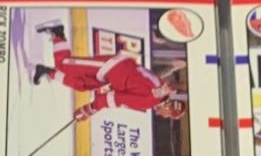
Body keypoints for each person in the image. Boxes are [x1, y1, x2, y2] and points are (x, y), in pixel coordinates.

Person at [30, 22, 187, 119]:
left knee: (82, 84)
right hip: (112, 67)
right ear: (167, 107)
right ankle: (57, 33)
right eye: (168, 115)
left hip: (115, 74)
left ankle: (46, 71)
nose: (165, 117)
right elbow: (114, 98)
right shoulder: (150, 101)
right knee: (64, 65)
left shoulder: (160, 89)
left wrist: (92, 107)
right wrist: (88, 110)